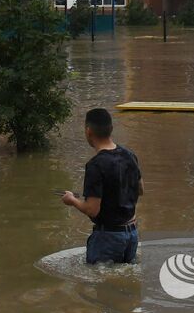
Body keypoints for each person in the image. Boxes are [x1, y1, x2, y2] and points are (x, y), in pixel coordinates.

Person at [61, 108, 142, 264]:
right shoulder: (129, 155)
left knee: (101, 285)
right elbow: (140, 189)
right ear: (111, 129)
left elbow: (92, 209)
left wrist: (71, 200)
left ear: (88, 131)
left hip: (108, 237)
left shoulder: (95, 165)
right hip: (132, 234)